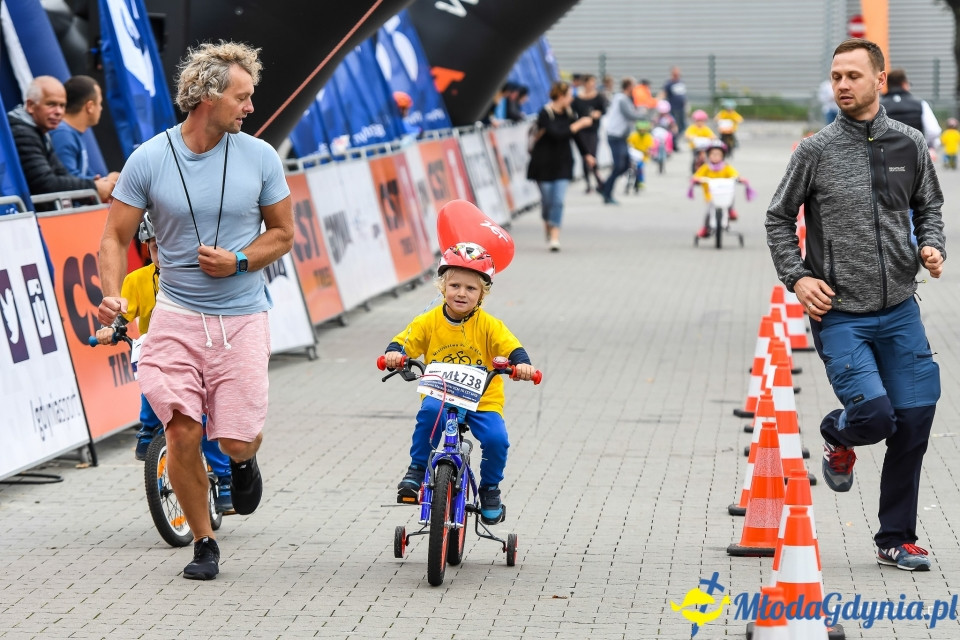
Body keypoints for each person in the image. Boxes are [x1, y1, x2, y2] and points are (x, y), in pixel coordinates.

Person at [97, 41, 294, 581]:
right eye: (242, 96)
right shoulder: (149, 158)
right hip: (176, 315)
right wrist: (113, 293)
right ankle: (204, 541)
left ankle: (243, 461)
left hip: (242, 317)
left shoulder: (260, 156)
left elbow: (283, 234)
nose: (250, 106)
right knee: (182, 430)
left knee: (233, 439)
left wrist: (238, 261)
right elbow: (113, 236)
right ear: (208, 96)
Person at [765, 38, 945, 572]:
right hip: (840, 314)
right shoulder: (815, 150)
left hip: (901, 310)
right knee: (875, 415)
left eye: (853, 76)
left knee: (914, 420)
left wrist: (931, 245)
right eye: (836, 76)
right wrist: (798, 278)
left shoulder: (909, 144)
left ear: (879, 80)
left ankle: (895, 539)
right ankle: (835, 433)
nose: (842, 85)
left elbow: (929, 206)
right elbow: (778, 217)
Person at [386, 242, 536, 524]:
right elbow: (404, 342)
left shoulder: (489, 325)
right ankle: (416, 470)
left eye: (470, 288)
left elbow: (511, 347)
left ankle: (490, 489)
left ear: (482, 294)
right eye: (454, 285)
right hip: (441, 394)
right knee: (429, 414)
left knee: (497, 440)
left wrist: (522, 364)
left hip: (482, 399)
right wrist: (394, 355)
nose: (461, 293)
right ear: (442, 287)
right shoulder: (428, 321)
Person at [94, 212, 234, 512]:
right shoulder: (137, 280)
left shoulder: (199, 276)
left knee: (205, 421)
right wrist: (111, 327)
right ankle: (148, 429)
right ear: (147, 247)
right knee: (150, 382)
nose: (164, 253)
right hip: (159, 352)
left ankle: (224, 478)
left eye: (172, 245)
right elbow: (122, 313)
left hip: (198, 352)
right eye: (157, 247)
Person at [7, 76, 117, 201]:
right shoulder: (23, 133)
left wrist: (98, 184)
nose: (59, 112)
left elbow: (62, 174)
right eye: (51, 104)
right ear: (30, 105)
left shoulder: (41, 131)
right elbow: (46, 184)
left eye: (62, 105)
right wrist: (94, 187)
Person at [527, 81, 594, 251]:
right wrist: (579, 124)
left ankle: (555, 236)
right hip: (543, 164)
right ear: (560, 96)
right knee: (547, 201)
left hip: (563, 163)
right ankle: (548, 223)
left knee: (558, 201)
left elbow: (576, 137)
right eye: (569, 96)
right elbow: (557, 133)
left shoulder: (569, 113)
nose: (571, 99)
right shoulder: (545, 113)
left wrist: (586, 154)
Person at [50, 75, 111, 180]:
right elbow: (68, 178)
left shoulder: (72, 133)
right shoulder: (63, 134)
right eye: (99, 103)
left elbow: (84, 175)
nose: (101, 108)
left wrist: (105, 181)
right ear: (90, 107)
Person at [688, 141, 753, 237]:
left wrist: (739, 179)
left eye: (718, 154)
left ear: (723, 156)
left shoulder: (726, 167)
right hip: (711, 195)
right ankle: (705, 227)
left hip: (724, 193)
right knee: (709, 211)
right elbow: (697, 175)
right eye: (713, 154)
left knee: (731, 196)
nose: (715, 156)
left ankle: (731, 210)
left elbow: (734, 174)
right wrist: (696, 179)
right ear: (708, 155)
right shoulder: (706, 167)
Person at [598, 77, 646, 205]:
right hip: (616, 136)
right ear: (628, 86)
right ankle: (606, 192)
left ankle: (604, 187)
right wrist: (644, 112)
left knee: (625, 165)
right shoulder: (622, 99)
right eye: (633, 86)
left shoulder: (624, 99)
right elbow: (630, 115)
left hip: (621, 137)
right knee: (619, 166)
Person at [880, 69, 941, 149]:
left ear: (888, 85)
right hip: (914, 152)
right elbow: (933, 131)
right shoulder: (920, 104)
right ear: (904, 84)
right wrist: (928, 146)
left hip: (886, 153)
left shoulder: (879, 105)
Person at [571, 74, 606, 193]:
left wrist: (598, 114)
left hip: (593, 130)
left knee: (592, 155)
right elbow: (572, 112)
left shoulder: (598, 97)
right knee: (585, 156)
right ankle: (588, 183)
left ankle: (597, 179)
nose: (593, 85)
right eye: (591, 82)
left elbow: (603, 110)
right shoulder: (578, 99)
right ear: (585, 83)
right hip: (582, 130)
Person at [625, 119, 654, 193]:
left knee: (640, 168)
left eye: (644, 130)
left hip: (643, 156)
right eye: (640, 130)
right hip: (633, 154)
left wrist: (648, 151)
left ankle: (641, 181)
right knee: (628, 167)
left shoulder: (648, 137)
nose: (642, 131)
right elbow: (628, 142)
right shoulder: (634, 135)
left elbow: (650, 147)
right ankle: (627, 179)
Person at [662, 67, 688, 146]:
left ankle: (676, 140)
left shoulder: (681, 82)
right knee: (674, 125)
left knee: (683, 126)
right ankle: (673, 142)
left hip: (681, 108)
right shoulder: (669, 83)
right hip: (673, 108)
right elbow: (664, 93)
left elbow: (683, 95)